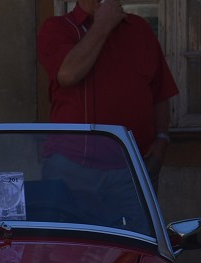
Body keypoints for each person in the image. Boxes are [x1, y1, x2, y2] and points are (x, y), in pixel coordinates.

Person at [37, 0, 178, 189]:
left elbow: (160, 92)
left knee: (136, 220)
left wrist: (162, 141)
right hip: (72, 165)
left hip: (133, 164)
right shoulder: (57, 27)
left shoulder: (139, 29)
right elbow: (68, 74)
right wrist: (102, 26)